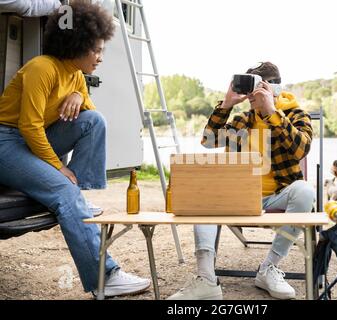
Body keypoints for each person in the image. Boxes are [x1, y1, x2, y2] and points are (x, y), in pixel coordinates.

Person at [0, 1, 150, 297]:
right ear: (76, 44)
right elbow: (30, 127)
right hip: (6, 141)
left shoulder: (75, 75)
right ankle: (104, 278)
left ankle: (76, 196)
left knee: (94, 121)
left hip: (28, 141)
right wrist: (59, 167)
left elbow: (89, 116)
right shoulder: (41, 68)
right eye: (95, 50)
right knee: (63, 191)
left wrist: (79, 99)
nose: (100, 58)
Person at [167, 62, 315, 300]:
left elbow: (301, 149)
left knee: (305, 192)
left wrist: (272, 114)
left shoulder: (295, 114)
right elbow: (208, 141)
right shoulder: (242, 120)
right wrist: (226, 104)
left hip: (278, 193)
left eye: (253, 90)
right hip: (238, 196)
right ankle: (206, 280)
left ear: (271, 89)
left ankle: (268, 269)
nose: (248, 97)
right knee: (205, 196)